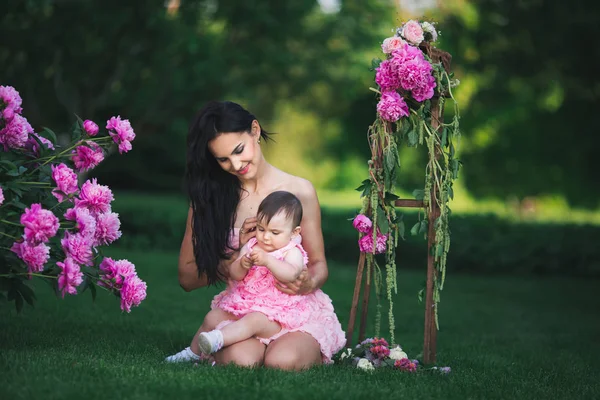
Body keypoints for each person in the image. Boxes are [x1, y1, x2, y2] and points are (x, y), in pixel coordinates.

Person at [165, 101, 345, 370]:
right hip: (244, 309)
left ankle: (296, 346)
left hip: (293, 312)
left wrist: (309, 282)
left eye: (239, 150)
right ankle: (219, 348)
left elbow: (319, 265)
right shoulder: (209, 199)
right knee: (241, 361)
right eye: (223, 159)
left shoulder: (299, 192)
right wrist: (231, 259)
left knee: (281, 362)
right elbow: (187, 278)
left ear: (255, 130)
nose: (236, 164)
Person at [191, 191, 345, 362]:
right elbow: (235, 275)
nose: (265, 237)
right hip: (248, 305)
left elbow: (291, 273)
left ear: (294, 233)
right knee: (213, 316)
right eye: (261, 229)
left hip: (279, 314)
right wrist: (242, 264)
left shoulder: (292, 251)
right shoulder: (252, 245)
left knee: (254, 321)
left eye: (275, 232)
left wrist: (268, 261)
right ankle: (191, 353)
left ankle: (217, 339)